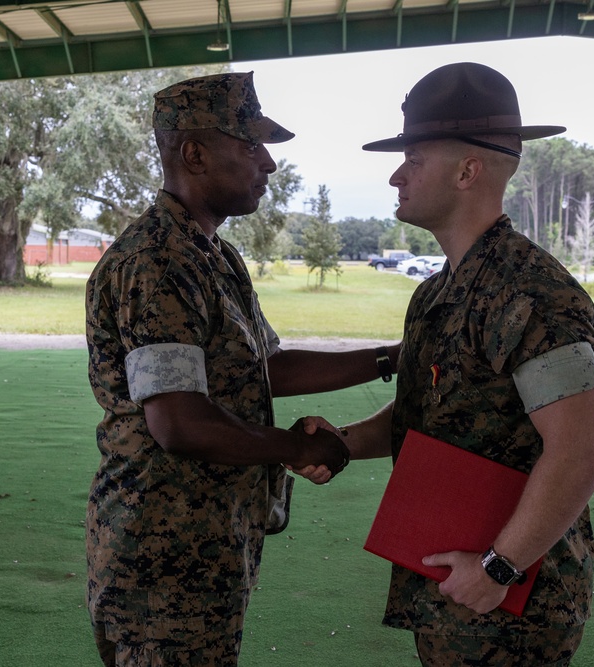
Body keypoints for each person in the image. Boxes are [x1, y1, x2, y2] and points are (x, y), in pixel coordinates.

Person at [84, 71, 399, 666]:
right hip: (163, 555)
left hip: (208, 538)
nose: (269, 164)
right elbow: (180, 422)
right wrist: (295, 447)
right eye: (251, 146)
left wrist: (390, 359)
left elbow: (263, 369)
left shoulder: (212, 255)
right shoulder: (156, 262)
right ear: (194, 154)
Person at [333, 62, 594, 664]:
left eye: (413, 159)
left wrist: (500, 567)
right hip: (454, 587)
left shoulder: (532, 294)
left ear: (467, 171)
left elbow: (581, 450)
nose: (396, 175)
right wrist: (341, 444)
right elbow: (429, 414)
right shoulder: (438, 292)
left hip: (511, 604)